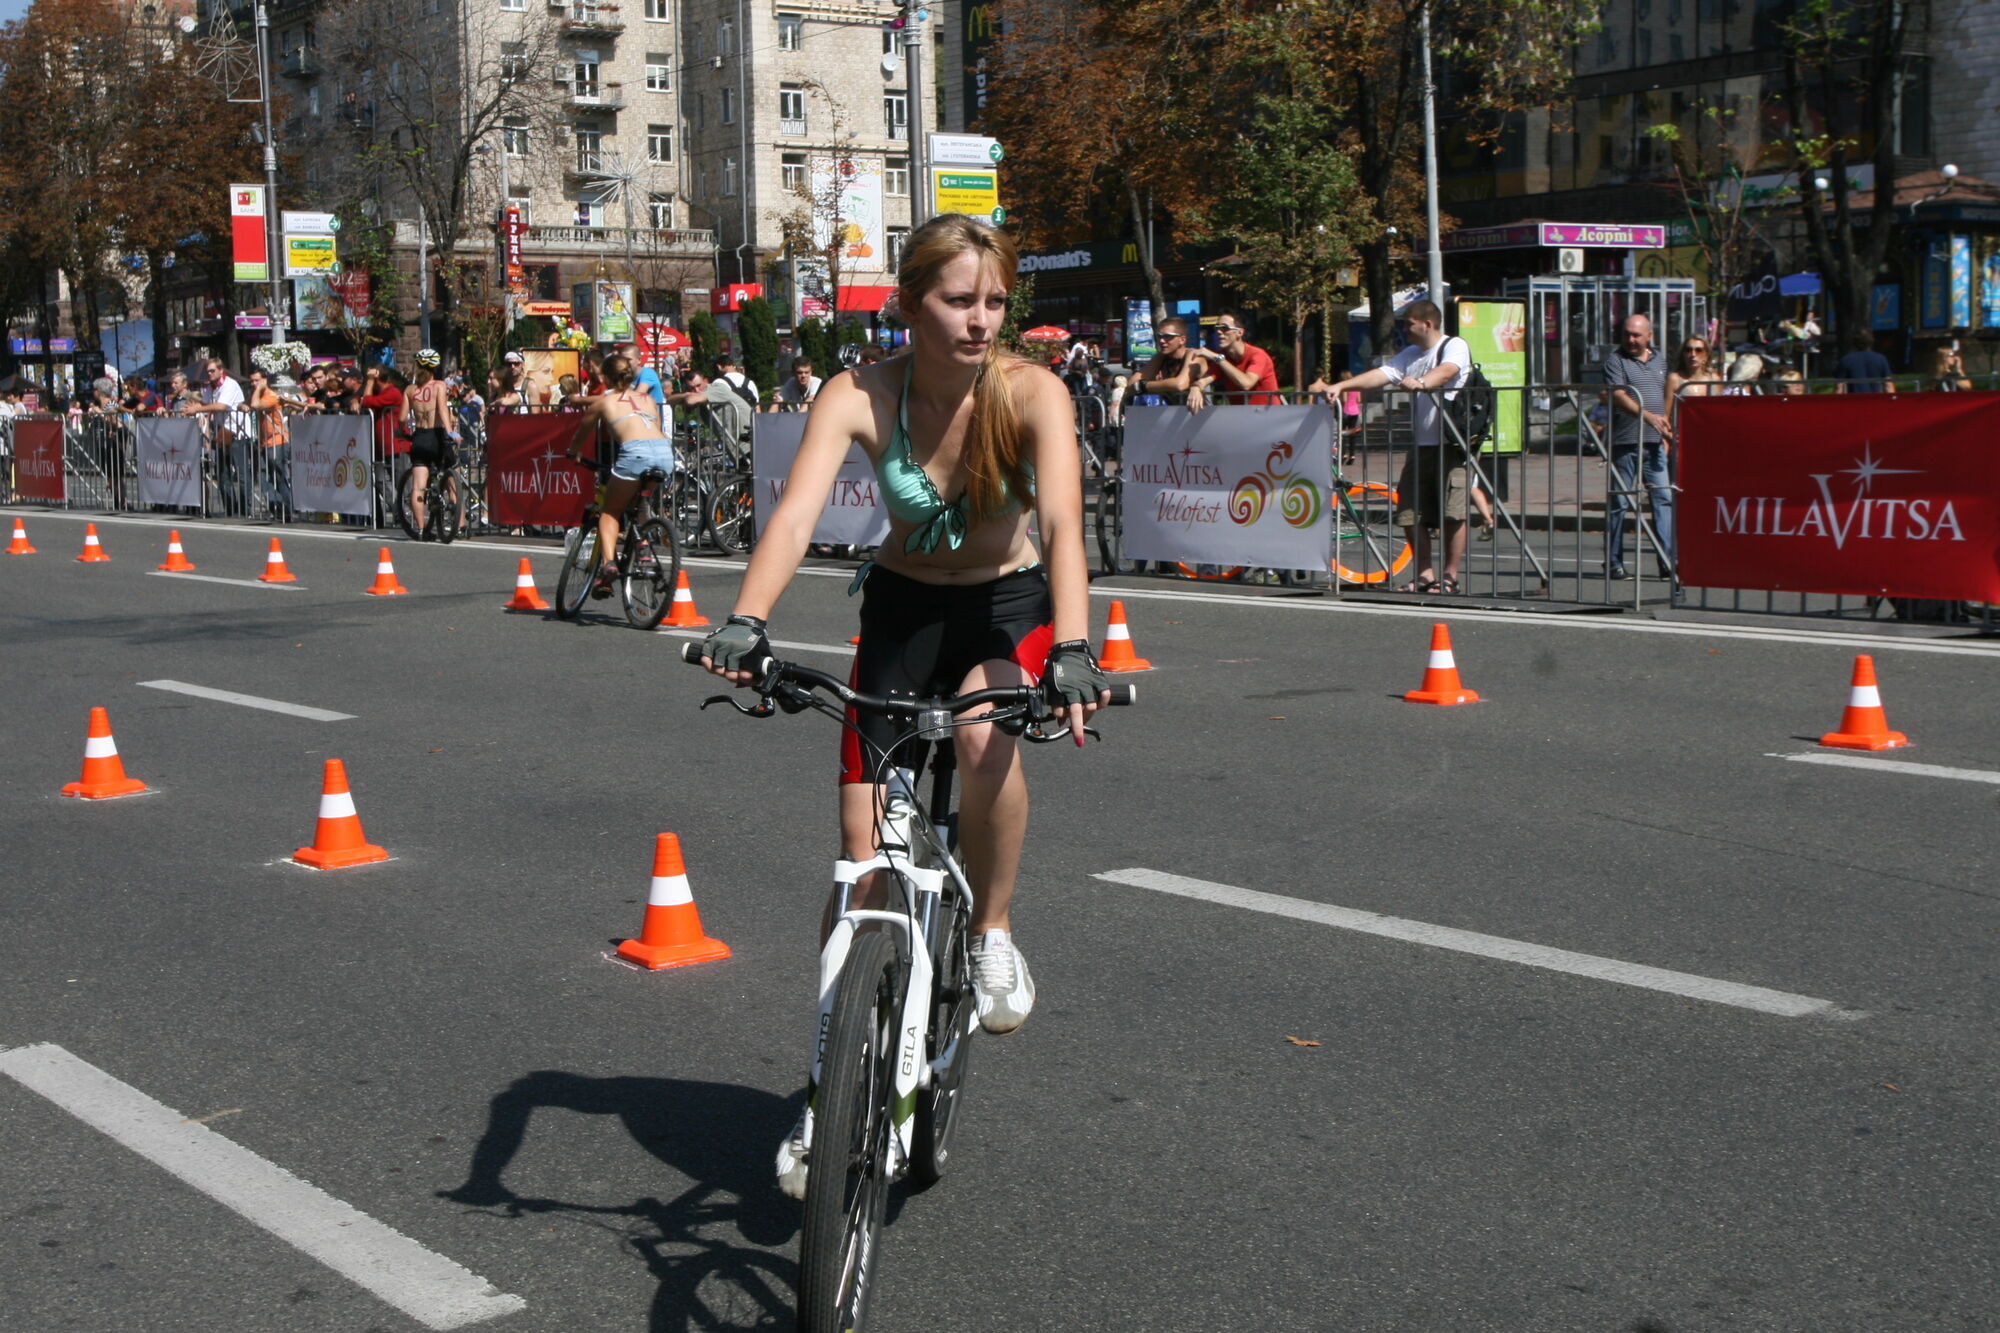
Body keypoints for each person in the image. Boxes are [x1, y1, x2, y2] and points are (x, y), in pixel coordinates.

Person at [696, 216, 1108, 1197]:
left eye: (995, 302)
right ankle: (834, 1084)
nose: (979, 321)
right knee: (860, 860)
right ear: (908, 304)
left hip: (1005, 607)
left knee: (981, 734)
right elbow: (795, 514)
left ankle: (992, 929)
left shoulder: (1033, 392)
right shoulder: (859, 392)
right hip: (901, 607)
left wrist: (1077, 643)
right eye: (958, 300)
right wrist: (747, 621)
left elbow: (1059, 523)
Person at [1318, 300, 1473, 593]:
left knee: (1454, 512)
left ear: (1426, 324)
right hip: (1421, 444)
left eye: (1409, 323)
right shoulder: (1411, 354)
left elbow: (1448, 370)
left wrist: (1423, 382)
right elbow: (1384, 374)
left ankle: (1450, 576)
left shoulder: (1454, 345)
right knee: (1409, 510)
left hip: (1452, 442)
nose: (1405, 329)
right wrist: (1342, 387)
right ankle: (1425, 573)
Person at [564, 353, 672, 595]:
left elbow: (582, 432)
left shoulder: (604, 402)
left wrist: (574, 452)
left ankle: (608, 564)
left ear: (606, 377)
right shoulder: (646, 398)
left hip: (635, 454)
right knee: (639, 503)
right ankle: (642, 546)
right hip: (664, 453)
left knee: (610, 512)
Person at [1600, 313, 1675, 580]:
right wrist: (1647, 416)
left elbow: (1666, 395)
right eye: (1627, 334)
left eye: (1636, 335)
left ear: (1649, 336)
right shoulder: (1616, 360)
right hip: (1626, 441)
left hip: (1655, 442)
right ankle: (1613, 562)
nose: (1631, 340)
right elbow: (1619, 395)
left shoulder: (1660, 360)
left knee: (1663, 499)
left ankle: (1667, 561)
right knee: (1620, 501)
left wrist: (1664, 430)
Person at [402, 349, 459, 536]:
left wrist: (403, 431)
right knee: (451, 472)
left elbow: (402, 417)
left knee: (418, 485)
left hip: (419, 436)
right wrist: (451, 432)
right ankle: (457, 517)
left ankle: (421, 528)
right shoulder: (439, 386)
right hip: (436, 436)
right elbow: (442, 410)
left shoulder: (410, 390)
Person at [185, 358, 250, 516]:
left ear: (221, 370)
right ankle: (230, 508)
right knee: (222, 474)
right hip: (221, 434)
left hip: (238, 433)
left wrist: (198, 409)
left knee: (242, 475)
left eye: (212, 370)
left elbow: (221, 406)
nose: (210, 373)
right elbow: (205, 404)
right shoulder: (210, 388)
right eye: (208, 371)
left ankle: (245, 509)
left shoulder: (230, 384)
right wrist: (194, 406)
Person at [1192, 311, 1280, 406]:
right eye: (1217, 328)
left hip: (1268, 416)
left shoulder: (1258, 355)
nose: (1219, 332)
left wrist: (1218, 358)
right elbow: (1204, 380)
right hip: (1241, 416)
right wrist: (1196, 388)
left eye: (1225, 328)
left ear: (1240, 332)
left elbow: (1247, 383)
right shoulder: (1223, 357)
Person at [245, 366, 294, 520]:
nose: (254, 384)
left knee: (278, 476)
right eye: (252, 381)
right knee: (267, 478)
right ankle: (277, 508)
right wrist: (244, 404)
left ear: (265, 380)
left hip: (278, 441)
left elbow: (254, 405)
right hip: (265, 442)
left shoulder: (271, 396)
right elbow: (244, 405)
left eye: (257, 381)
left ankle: (289, 509)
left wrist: (259, 389)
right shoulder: (257, 395)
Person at [1129, 316, 1205, 407]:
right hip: (1174, 414)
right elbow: (1131, 385)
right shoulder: (1161, 357)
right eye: (1159, 336)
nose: (1161, 341)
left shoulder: (1194, 356)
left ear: (1182, 339)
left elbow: (1180, 384)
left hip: (1204, 415)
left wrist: (1144, 385)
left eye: (1168, 336)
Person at [705, 353, 759, 458]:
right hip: (752, 424)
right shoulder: (749, 382)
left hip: (734, 427)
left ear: (719, 366)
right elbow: (757, 406)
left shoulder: (719, 382)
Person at [1665, 334, 1721, 431]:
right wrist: (1668, 436)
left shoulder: (1715, 380)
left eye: (1698, 350)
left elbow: (1720, 413)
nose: (1693, 354)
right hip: (1682, 437)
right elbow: (1665, 415)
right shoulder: (1674, 379)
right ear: (1683, 354)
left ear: (1706, 355)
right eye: (1688, 350)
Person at [1833, 330, 1897, 395]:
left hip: (1854, 402)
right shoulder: (1881, 359)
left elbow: (1839, 387)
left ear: (1855, 343)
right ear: (1871, 342)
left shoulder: (1846, 360)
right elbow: (1888, 385)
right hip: (1874, 402)